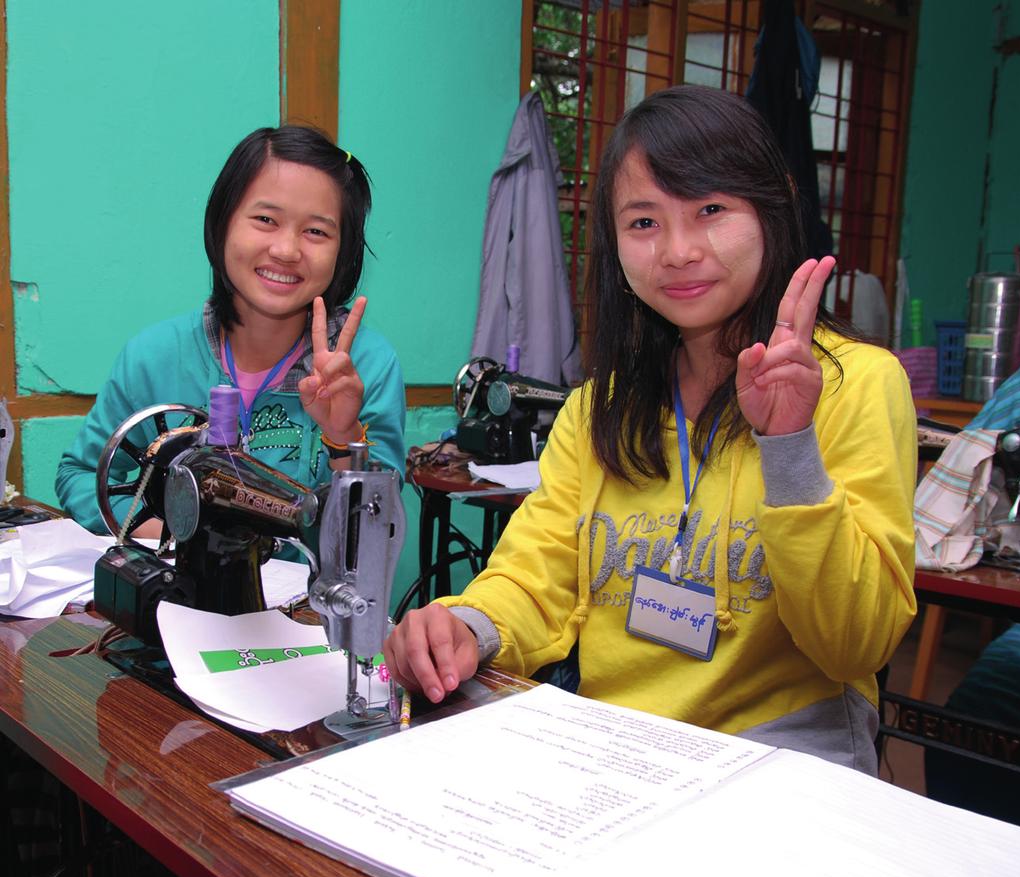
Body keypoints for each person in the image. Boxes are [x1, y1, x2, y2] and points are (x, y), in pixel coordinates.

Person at [384, 84, 917, 774]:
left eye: (711, 210)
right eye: (644, 222)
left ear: (771, 212)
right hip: (614, 757)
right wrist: (464, 626)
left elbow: (856, 644)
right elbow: (535, 576)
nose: (678, 250)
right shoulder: (597, 410)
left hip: (782, 764)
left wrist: (790, 447)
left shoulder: (858, 384)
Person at [56, 125, 405, 537]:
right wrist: (174, 536)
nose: (286, 250)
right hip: (176, 594)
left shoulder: (364, 366)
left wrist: (343, 436)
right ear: (222, 223)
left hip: (306, 601)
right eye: (265, 219)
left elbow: (378, 530)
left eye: (316, 231)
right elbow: (81, 476)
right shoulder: (153, 356)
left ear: (342, 251)